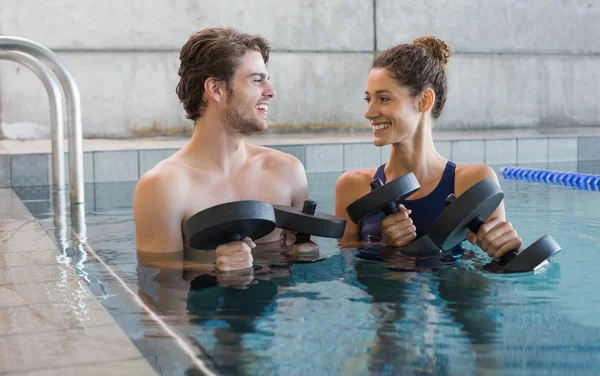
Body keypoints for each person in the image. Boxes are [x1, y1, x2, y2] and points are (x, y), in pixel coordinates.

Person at [133, 27, 316, 272]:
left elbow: (296, 280)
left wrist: (305, 254)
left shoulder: (287, 172)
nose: (270, 91)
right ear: (216, 89)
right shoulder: (164, 186)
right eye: (257, 80)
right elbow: (160, 287)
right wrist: (213, 268)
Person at [335, 36, 522, 260]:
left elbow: (491, 279)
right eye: (368, 99)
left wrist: (507, 253)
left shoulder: (475, 182)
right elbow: (346, 268)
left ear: (424, 101)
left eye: (384, 99)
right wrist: (384, 247)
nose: (369, 112)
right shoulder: (352, 186)